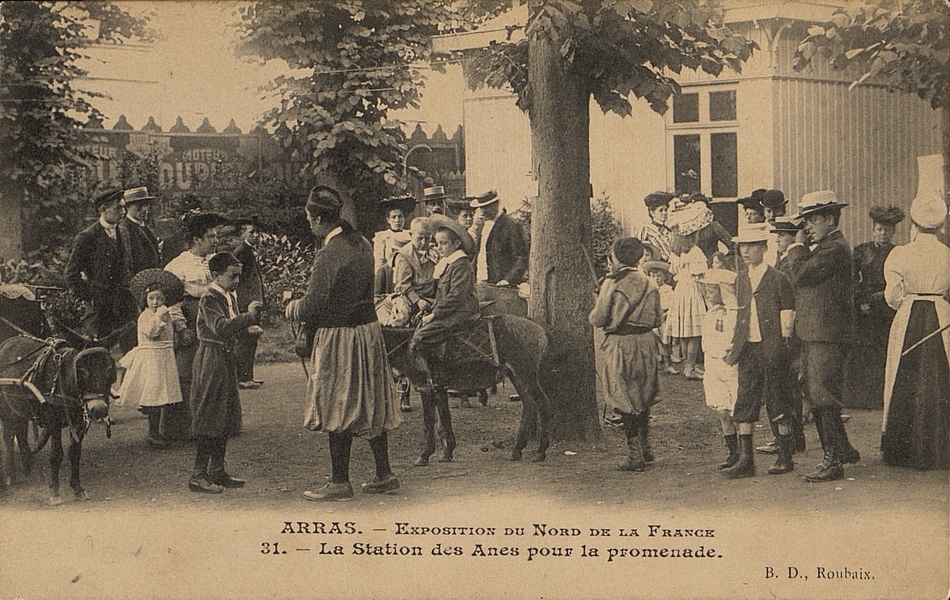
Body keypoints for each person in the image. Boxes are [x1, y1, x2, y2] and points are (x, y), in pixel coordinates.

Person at [285, 185, 401, 500]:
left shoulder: (330, 252)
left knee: (338, 401)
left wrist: (293, 306)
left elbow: (313, 304)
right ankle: (384, 474)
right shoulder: (363, 243)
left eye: (310, 218)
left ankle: (339, 482)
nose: (309, 223)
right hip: (368, 333)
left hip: (340, 337)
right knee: (370, 400)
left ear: (320, 218)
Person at [787, 190, 860, 482]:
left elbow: (800, 276)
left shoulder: (833, 248)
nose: (807, 227)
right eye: (806, 221)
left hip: (826, 335)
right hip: (818, 332)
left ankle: (832, 462)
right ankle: (841, 449)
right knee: (816, 390)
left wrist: (796, 247)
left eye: (812, 219)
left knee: (822, 395)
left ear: (830, 218)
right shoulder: (827, 246)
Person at [880, 189, 949, 470]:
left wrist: (907, 302)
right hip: (941, 316)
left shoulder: (901, 253)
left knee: (903, 374)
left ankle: (902, 448)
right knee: (940, 374)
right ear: (941, 226)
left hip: (909, 313)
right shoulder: (946, 254)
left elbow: (892, 295)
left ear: (913, 223)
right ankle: (940, 448)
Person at [723, 223, 797, 478]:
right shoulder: (741, 278)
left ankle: (785, 455)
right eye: (742, 246)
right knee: (744, 399)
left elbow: (788, 317)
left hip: (772, 348)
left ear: (764, 248)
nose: (745, 251)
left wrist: (783, 347)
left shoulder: (778, 279)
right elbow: (740, 315)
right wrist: (734, 343)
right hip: (748, 348)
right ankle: (746, 459)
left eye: (752, 246)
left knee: (777, 398)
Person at [188, 252, 263, 493]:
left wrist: (247, 328)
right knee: (209, 413)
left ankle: (217, 471)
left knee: (225, 415)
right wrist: (249, 317)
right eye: (232, 276)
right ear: (216, 276)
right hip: (211, 359)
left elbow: (229, 327)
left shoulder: (226, 296)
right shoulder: (209, 298)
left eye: (239, 275)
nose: (237, 281)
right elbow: (220, 328)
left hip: (225, 357)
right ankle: (198, 474)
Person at [408, 214, 480, 466]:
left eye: (442, 243)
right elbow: (434, 289)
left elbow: (456, 297)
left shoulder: (460, 265)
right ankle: (430, 371)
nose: (438, 247)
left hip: (461, 313)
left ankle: (428, 375)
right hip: (449, 310)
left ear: (456, 244)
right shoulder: (447, 264)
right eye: (437, 243)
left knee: (421, 335)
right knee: (416, 325)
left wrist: (434, 315)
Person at [589, 237, 662, 472]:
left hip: (622, 344)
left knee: (625, 398)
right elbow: (658, 318)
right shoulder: (650, 283)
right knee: (643, 394)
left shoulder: (611, 284)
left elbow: (598, 319)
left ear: (616, 258)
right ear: (641, 257)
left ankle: (635, 455)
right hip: (648, 343)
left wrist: (597, 303)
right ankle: (645, 446)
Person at [163, 211, 228, 441]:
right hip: (191, 321)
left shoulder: (218, 261)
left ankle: (217, 424)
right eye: (210, 236)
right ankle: (187, 427)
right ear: (196, 240)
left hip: (214, 320)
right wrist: (181, 329)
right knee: (187, 374)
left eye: (215, 236)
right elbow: (171, 302)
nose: (215, 240)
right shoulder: (177, 265)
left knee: (214, 371)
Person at [845, 205, 905, 409]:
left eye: (887, 230)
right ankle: (863, 398)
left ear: (893, 232)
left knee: (885, 351)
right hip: (866, 308)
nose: (883, 233)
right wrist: (860, 301)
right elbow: (851, 279)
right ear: (873, 230)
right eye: (879, 229)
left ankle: (885, 397)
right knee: (864, 352)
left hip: (888, 308)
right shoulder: (862, 251)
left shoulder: (899, 252)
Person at [118, 270, 185, 449]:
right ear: (145, 300)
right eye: (152, 298)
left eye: (159, 298)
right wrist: (159, 316)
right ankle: (152, 432)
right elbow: (152, 332)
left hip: (165, 357)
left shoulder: (166, 316)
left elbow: (170, 337)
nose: (155, 302)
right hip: (152, 358)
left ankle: (165, 430)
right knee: (155, 394)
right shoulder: (146, 316)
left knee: (167, 394)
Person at [64, 188, 137, 340]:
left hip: (124, 305)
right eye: (118, 207)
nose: (123, 211)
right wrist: (91, 296)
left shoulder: (123, 232)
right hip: (101, 310)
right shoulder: (87, 237)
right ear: (103, 209)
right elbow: (71, 275)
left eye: (124, 207)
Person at [697, 266, 741, 470]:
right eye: (706, 290)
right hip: (712, 364)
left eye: (713, 290)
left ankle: (743, 450)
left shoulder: (733, 314)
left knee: (736, 410)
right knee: (722, 410)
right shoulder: (710, 314)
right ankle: (733, 451)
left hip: (729, 365)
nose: (708, 294)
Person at [665, 202, 710, 380]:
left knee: (684, 330)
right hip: (691, 290)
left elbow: (673, 273)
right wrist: (707, 298)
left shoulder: (675, 253)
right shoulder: (695, 252)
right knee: (695, 332)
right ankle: (690, 367)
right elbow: (700, 279)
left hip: (680, 291)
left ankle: (687, 366)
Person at [469, 190, 529, 316]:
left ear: (496, 205)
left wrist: (508, 280)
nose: (483, 211)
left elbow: (521, 258)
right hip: (480, 283)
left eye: (486, 207)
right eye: (481, 207)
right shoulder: (482, 225)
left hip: (500, 286)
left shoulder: (512, 225)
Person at [230, 216, 267, 391]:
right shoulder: (241, 252)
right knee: (245, 340)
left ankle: (248, 375)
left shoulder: (250, 251)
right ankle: (242, 377)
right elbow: (239, 281)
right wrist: (246, 304)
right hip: (247, 303)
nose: (256, 235)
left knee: (251, 340)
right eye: (252, 232)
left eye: (257, 232)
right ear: (242, 234)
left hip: (255, 301)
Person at [391, 217, 438, 323]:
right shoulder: (404, 255)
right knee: (402, 317)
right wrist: (417, 300)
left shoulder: (434, 253)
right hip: (409, 297)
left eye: (427, 238)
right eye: (420, 238)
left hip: (430, 297)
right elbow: (403, 285)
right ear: (411, 235)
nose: (423, 242)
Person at [372, 196, 414, 296]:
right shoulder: (382, 237)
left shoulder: (411, 235)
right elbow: (379, 262)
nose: (397, 220)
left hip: (410, 274)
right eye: (393, 217)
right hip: (389, 277)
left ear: (404, 218)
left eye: (400, 216)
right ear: (388, 219)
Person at [118, 186, 161, 277]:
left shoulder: (144, 226)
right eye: (139, 206)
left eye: (146, 205)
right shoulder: (124, 229)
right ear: (128, 207)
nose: (144, 209)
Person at [642, 260, 676, 375]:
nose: (656, 279)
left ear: (664, 277)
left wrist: (666, 314)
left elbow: (673, 304)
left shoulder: (668, 289)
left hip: (664, 318)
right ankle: (653, 366)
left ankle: (668, 365)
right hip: (652, 318)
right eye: (653, 276)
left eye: (659, 276)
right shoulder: (649, 289)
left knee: (665, 342)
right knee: (653, 342)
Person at [634, 192, 675, 262]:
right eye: (661, 210)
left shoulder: (669, 231)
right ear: (652, 213)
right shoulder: (645, 229)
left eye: (666, 210)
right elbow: (637, 250)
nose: (664, 213)